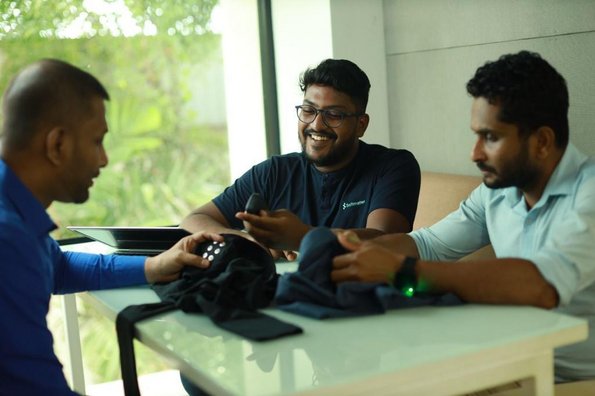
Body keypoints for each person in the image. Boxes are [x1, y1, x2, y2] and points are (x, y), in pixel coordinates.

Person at [330, 50, 595, 383]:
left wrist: (403, 272)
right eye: (476, 135)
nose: (475, 153)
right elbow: (427, 244)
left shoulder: (589, 196)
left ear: (542, 141)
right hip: (509, 363)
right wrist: (352, 255)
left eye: (491, 137)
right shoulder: (498, 190)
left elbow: (540, 286)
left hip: (571, 382)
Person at [0, 59, 223, 395]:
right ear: (57, 144)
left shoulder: (14, 215)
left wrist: (153, 266)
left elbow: (57, 266)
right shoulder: (8, 239)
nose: (103, 159)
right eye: (97, 141)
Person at [181, 58, 421, 260]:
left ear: (361, 124)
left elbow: (386, 241)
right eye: (308, 110)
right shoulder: (275, 172)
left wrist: (301, 237)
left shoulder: (392, 166)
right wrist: (244, 240)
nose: (317, 124)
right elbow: (194, 220)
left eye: (334, 115)